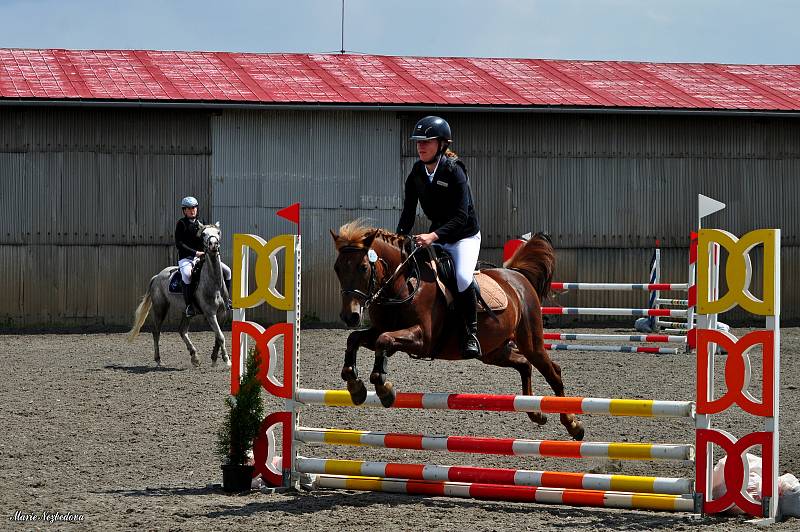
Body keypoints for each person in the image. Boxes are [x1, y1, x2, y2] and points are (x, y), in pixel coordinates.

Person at [396, 116, 482, 358]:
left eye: (427, 142)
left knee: (463, 277)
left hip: (464, 236)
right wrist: (399, 237)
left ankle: (471, 333)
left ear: (442, 144)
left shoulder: (455, 170)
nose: (421, 146)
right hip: (438, 235)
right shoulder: (416, 172)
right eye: (418, 142)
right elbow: (408, 211)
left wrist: (433, 236)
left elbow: (461, 217)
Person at [175, 196, 233, 317]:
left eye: (194, 208)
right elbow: (179, 244)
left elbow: (208, 239)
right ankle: (189, 306)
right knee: (187, 275)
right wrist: (195, 253)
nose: (192, 210)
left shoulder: (202, 222)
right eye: (189, 208)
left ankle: (227, 300)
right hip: (187, 258)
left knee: (227, 271)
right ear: (184, 210)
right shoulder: (181, 224)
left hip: (203, 257)